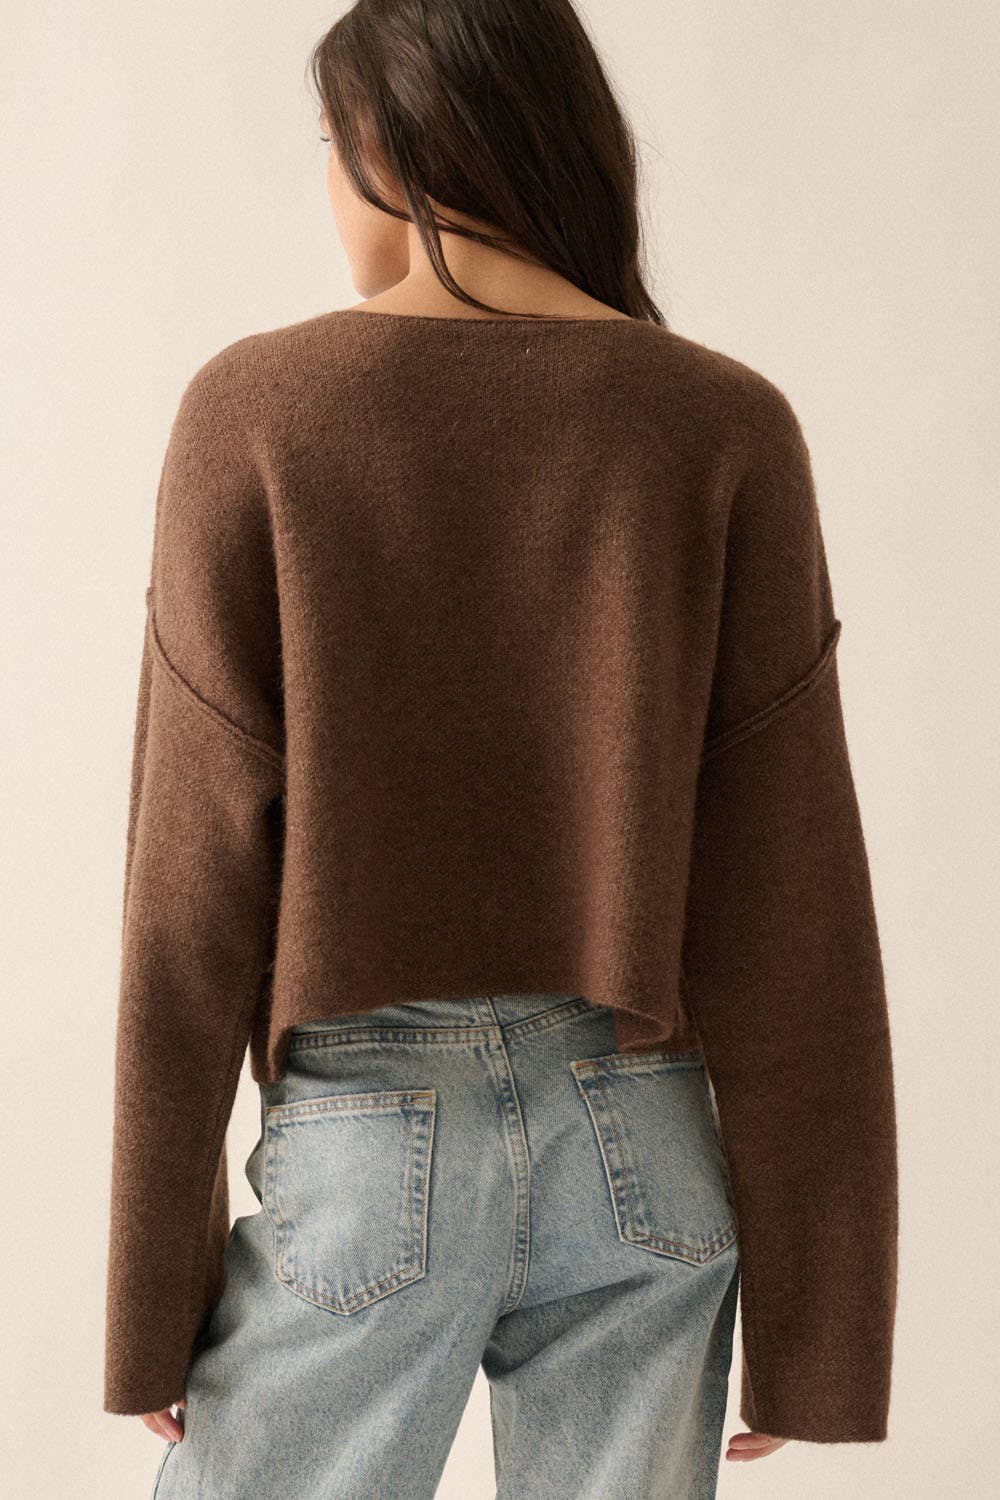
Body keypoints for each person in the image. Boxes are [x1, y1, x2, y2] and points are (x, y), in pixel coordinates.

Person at [103, 2, 899, 1496]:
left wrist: (149, 1309)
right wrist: (822, 1335)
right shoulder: (724, 426)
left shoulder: (256, 414)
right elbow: (794, 911)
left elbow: (186, 901)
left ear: (387, 146)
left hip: (367, 1149)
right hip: (642, 1141)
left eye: (328, 147)